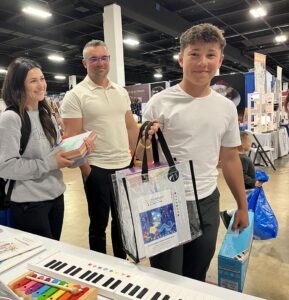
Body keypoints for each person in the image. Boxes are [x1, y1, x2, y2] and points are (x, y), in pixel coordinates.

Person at [143, 23, 249, 281]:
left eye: (210, 55)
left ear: (220, 60)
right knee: (165, 276)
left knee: (196, 274)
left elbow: (230, 158)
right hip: (165, 201)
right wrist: (147, 140)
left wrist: (242, 207)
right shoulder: (160, 102)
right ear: (181, 59)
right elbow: (141, 161)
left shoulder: (225, 107)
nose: (203, 62)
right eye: (195, 54)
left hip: (207, 200)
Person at [60, 40, 157, 258]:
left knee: (123, 220)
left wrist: (141, 161)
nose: (100, 63)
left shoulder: (120, 92)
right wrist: (87, 170)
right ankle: (101, 264)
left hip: (124, 165)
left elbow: (130, 127)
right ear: (85, 63)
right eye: (93, 59)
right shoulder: (75, 95)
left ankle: (121, 262)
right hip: (97, 168)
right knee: (98, 224)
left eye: (104, 58)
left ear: (109, 61)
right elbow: (72, 138)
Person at [0, 57, 75, 240]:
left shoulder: (46, 114)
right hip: (30, 204)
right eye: (33, 81)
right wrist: (50, 163)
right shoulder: (11, 118)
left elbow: (58, 150)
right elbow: (6, 167)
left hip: (56, 197)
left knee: (53, 252)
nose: (41, 85)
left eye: (42, 79)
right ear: (18, 86)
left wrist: (79, 151)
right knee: (40, 260)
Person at [220, 131, 263, 228]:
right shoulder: (242, 158)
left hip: (248, 187)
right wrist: (253, 182)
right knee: (247, 207)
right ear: (242, 144)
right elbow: (241, 176)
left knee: (248, 206)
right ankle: (227, 214)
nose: (250, 143)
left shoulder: (242, 157)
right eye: (248, 141)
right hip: (247, 189)